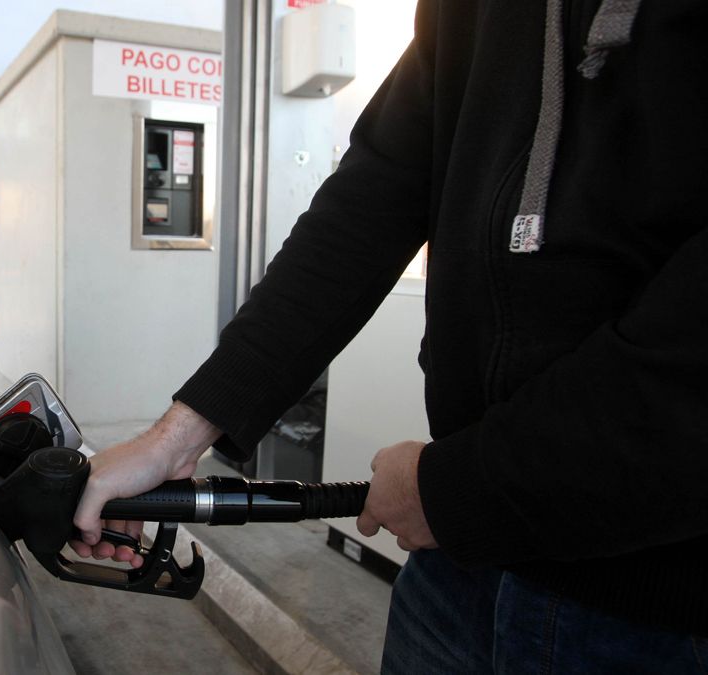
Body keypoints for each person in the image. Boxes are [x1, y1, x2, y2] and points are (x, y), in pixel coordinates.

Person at [71, 0, 708, 670]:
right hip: (455, 572)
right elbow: (375, 193)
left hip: (660, 607)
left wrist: (463, 490)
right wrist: (179, 434)